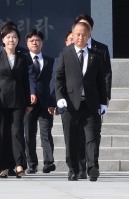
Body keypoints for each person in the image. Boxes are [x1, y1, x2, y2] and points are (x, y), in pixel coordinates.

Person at [55, 22, 107, 181]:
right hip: (71, 104)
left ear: (89, 36)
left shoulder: (96, 56)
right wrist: (60, 98)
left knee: (92, 137)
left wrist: (103, 102)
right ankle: (73, 168)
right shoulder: (66, 54)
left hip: (90, 104)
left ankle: (92, 167)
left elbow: (101, 81)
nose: (80, 37)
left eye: (84, 34)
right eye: (77, 34)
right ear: (73, 35)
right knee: (71, 138)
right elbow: (59, 78)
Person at [0, 21, 36, 176]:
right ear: (3, 39)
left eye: (14, 37)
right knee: (2, 133)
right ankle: (3, 166)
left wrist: (28, 103)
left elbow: (26, 80)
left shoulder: (23, 56)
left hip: (18, 100)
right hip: (0, 100)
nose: (11, 40)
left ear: (18, 40)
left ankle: (20, 165)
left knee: (17, 132)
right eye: (8, 37)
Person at [24, 29, 57, 174]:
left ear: (42, 43)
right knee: (29, 134)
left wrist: (52, 102)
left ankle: (48, 162)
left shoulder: (51, 61)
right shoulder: (23, 60)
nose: (35, 43)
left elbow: (54, 82)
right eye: (31, 41)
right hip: (28, 104)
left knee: (46, 133)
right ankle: (31, 164)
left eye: (37, 40)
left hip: (46, 104)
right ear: (27, 43)